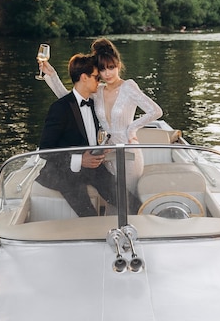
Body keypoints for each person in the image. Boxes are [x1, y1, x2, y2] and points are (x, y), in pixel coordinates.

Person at [39, 38, 163, 193]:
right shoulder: (98, 91)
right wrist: (51, 75)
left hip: (127, 150)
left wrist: (132, 129)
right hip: (104, 153)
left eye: (111, 67)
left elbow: (155, 111)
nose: (107, 73)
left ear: (118, 65)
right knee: (112, 198)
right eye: (103, 70)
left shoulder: (128, 86)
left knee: (126, 198)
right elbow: (70, 99)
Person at [37, 53, 117, 217]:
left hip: (93, 167)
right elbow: (44, 150)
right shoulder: (60, 108)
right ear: (84, 77)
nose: (100, 80)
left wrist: (102, 148)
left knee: (124, 197)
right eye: (96, 77)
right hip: (63, 172)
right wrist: (80, 160)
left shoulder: (95, 103)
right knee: (89, 215)